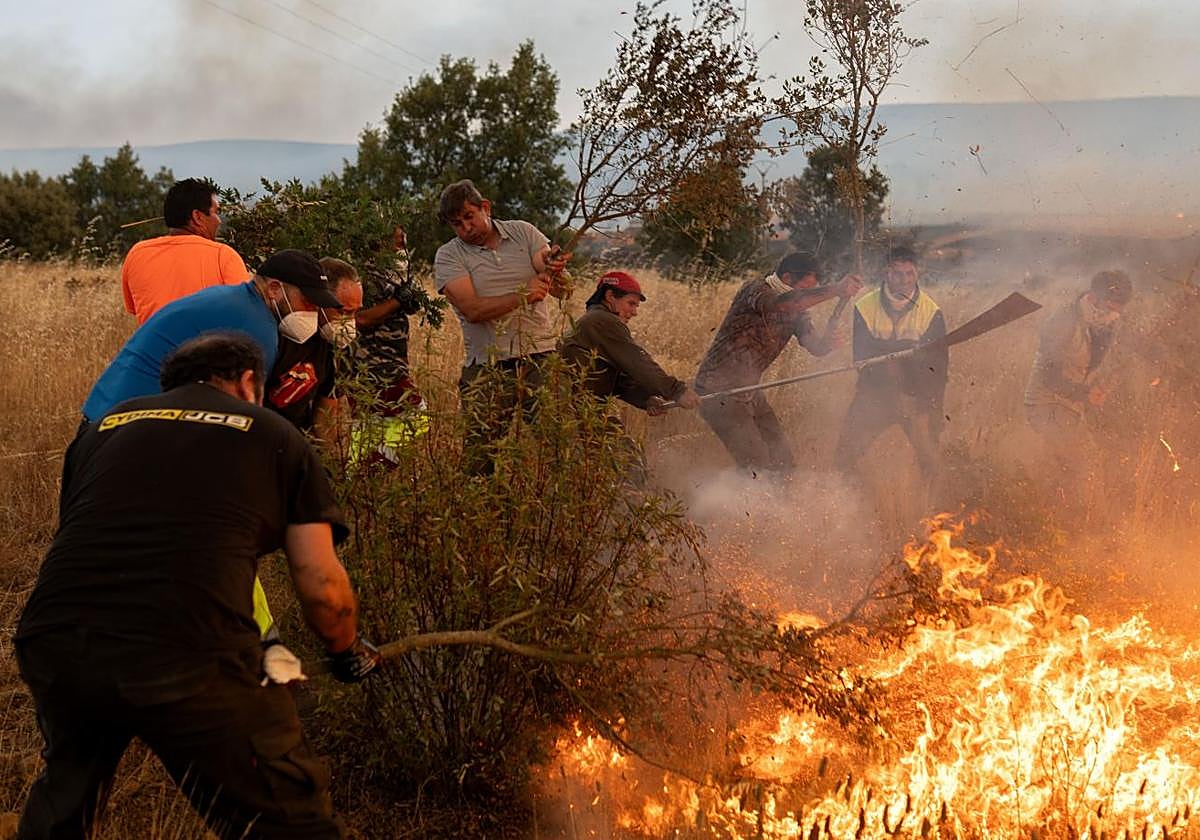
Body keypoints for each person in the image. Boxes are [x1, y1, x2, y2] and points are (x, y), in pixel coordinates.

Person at [14, 333, 382, 840]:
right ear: (249, 382)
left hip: (57, 637)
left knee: (64, 801)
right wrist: (346, 651)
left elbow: (83, 537)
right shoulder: (271, 431)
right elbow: (322, 585)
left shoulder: (104, 427)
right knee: (288, 820)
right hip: (191, 646)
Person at [82, 248, 341, 425]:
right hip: (132, 425)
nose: (312, 312)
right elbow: (241, 419)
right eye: (307, 302)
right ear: (274, 289)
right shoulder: (256, 328)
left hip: (106, 413)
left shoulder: (232, 298)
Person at [433, 180, 569, 465]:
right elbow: (472, 310)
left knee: (560, 445)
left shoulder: (523, 232)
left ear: (485, 207)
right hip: (487, 366)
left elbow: (563, 290)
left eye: (469, 217)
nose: (466, 228)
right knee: (480, 460)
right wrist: (523, 296)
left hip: (540, 358)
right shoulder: (448, 255)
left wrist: (557, 270)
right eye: (457, 224)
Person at [694, 253, 863, 474]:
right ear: (787, 277)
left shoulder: (797, 312)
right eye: (804, 288)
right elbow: (784, 305)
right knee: (757, 466)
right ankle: (735, 496)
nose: (806, 295)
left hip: (750, 390)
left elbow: (815, 347)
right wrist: (836, 290)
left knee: (783, 463)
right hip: (717, 390)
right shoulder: (756, 290)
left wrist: (827, 343)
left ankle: (779, 495)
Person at [834, 246, 948, 508]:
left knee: (930, 462)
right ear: (887, 273)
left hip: (915, 399)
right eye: (898, 274)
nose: (904, 280)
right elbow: (863, 358)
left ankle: (927, 512)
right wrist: (905, 352)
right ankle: (854, 508)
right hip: (874, 397)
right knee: (844, 455)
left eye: (909, 274)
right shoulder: (864, 306)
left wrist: (931, 409)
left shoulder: (931, 311)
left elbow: (939, 368)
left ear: (917, 274)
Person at [1024, 269, 1133, 518]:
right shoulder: (1063, 321)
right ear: (1094, 297)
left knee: (1073, 463)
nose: (1114, 314)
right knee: (1084, 461)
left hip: (1072, 404)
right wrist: (1086, 394)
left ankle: (1056, 516)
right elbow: (1050, 378)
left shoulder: (1105, 323)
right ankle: (1080, 521)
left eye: (1119, 310)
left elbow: (1129, 346)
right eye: (1110, 307)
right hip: (1045, 404)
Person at [560, 271, 700, 412]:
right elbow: (637, 362)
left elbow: (615, 379)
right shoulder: (603, 321)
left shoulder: (594, 320)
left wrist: (645, 399)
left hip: (580, 407)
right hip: (573, 409)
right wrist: (677, 390)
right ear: (610, 296)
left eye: (636, 306)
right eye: (631, 303)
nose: (634, 312)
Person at [121, 177, 250, 324]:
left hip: (154, 340)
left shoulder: (137, 254)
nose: (219, 220)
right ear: (197, 217)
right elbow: (245, 314)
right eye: (216, 212)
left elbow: (135, 309)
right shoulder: (224, 256)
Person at [351, 226, 430, 465]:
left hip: (389, 362)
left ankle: (365, 472)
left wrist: (409, 299)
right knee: (417, 416)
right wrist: (398, 300)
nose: (402, 246)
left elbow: (405, 307)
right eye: (397, 241)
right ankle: (377, 463)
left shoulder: (393, 273)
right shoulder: (364, 275)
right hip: (375, 364)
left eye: (403, 240)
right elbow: (360, 319)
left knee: (369, 428)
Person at [267, 257, 363, 445]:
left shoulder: (335, 345)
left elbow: (327, 412)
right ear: (320, 300)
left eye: (355, 312)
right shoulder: (279, 334)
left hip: (295, 440)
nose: (349, 322)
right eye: (342, 312)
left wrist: (329, 457)